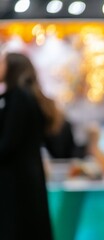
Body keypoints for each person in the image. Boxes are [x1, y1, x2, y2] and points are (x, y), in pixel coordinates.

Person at [0, 52, 62, 240]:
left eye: (2, 63)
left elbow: (8, 143)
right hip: (29, 177)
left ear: (12, 68)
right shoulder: (29, 97)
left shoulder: (18, 97)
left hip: (15, 181)